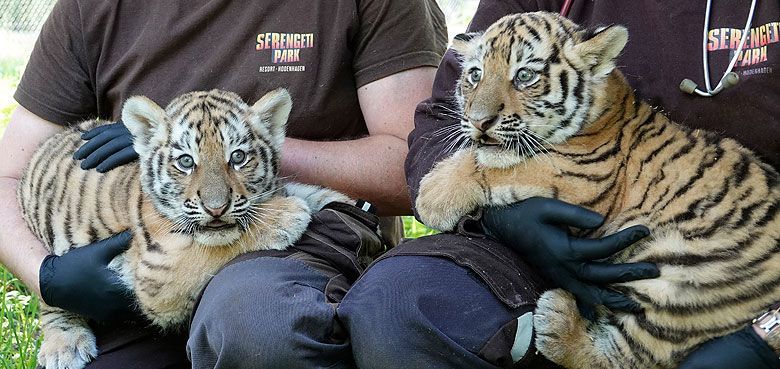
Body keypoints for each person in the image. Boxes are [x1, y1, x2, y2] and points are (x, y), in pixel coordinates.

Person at [0, 0, 447, 367]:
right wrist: (49, 280)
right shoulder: (92, 8)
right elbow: (9, 174)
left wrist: (264, 147)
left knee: (260, 325)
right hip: (144, 247)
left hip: (299, 244)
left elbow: (419, 167)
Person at [402, 0, 779, 368]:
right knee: (402, 300)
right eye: (475, 78)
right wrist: (492, 217)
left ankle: (606, 357)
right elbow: (436, 124)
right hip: (558, 273)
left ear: (594, 65)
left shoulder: (605, 135)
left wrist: (768, 334)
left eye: (526, 77)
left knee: (677, 282)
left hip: (729, 279)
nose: (482, 111)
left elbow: (586, 192)